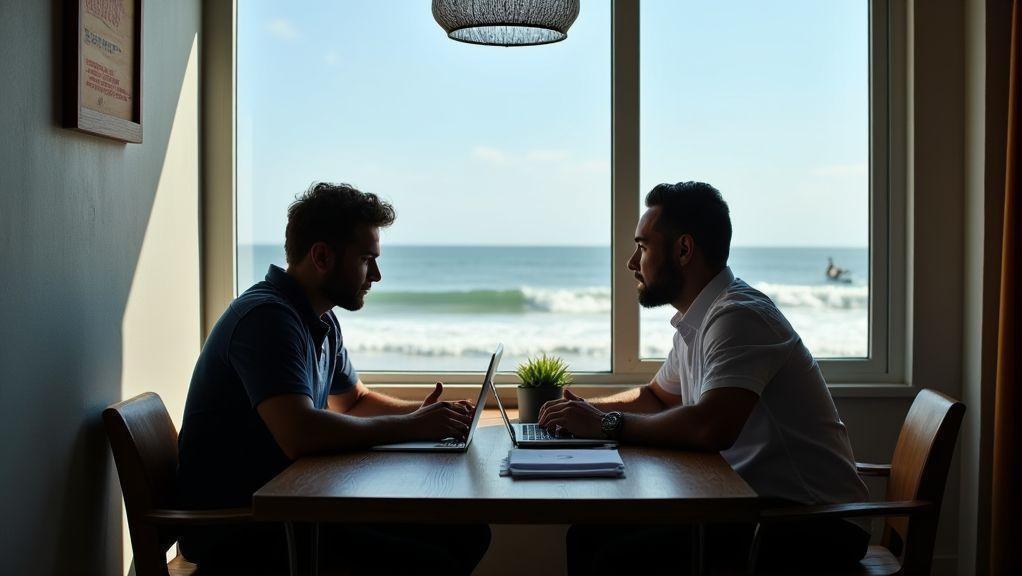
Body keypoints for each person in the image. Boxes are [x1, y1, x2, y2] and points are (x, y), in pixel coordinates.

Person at [538, 181, 870, 574]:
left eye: (642, 247)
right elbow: (657, 396)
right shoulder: (702, 317)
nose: (631, 262)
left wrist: (607, 425)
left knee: (615, 560)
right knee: (587, 535)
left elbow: (711, 427)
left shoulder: (739, 317)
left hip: (808, 524)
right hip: (747, 508)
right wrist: (576, 413)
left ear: (683, 250)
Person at [176, 182, 490, 575]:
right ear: (322, 256)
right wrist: (410, 426)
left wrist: (429, 416)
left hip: (296, 505)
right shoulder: (267, 318)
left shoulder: (320, 318)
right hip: (246, 527)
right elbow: (300, 434)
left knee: (467, 532)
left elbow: (353, 401)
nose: (375, 274)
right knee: (434, 561)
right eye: (365, 259)